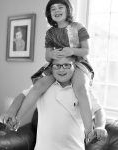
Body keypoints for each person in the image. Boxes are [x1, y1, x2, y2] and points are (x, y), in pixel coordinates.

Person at [12, 0, 94, 141]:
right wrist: (52, 55)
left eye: (60, 7)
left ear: (68, 10)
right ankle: (17, 119)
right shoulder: (50, 32)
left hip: (78, 63)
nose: (56, 10)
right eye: (53, 9)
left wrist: (72, 50)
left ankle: (88, 130)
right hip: (57, 64)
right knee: (38, 86)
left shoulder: (78, 27)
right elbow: (47, 55)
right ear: (49, 14)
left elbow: (86, 50)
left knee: (81, 89)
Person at [0, 57, 107, 148]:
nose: (61, 69)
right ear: (51, 68)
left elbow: (99, 110)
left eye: (66, 65)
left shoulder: (82, 91)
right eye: (57, 66)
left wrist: (100, 126)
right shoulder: (42, 87)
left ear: (75, 66)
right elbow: (22, 95)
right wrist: (11, 111)